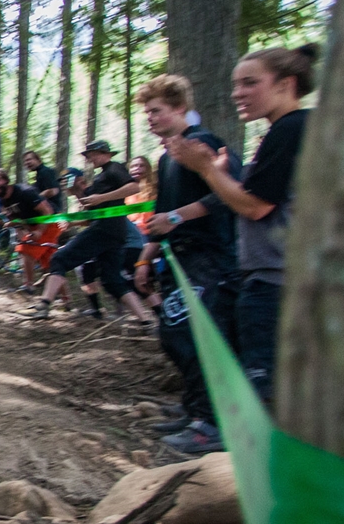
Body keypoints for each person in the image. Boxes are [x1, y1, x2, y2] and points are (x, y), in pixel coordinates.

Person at [168, 44, 316, 412]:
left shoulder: (291, 128)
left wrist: (205, 170)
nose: (238, 93)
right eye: (235, 85)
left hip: (276, 277)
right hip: (272, 273)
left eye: (250, 83)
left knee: (265, 388)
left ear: (286, 84)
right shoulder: (285, 130)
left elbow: (254, 207)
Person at [132, 75, 241, 454]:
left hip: (211, 257)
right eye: (146, 113)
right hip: (178, 259)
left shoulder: (205, 144)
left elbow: (227, 195)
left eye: (156, 111)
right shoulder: (166, 158)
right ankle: (194, 409)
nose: (150, 118)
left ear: (179, 108)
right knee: (174, 334)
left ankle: (211, 423)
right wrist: (145, 260)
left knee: (199, 338)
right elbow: (159, 214)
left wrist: (178, 218)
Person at [22, 141, 156, 328]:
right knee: (112, 280)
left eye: (92, 155)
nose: (90, 159)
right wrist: (75, 206)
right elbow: (92, 211)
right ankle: (146, 320)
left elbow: (134, 187)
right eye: (88, 156)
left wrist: (100, 197)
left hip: (106, 230)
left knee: (59, 258)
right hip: (114, 232)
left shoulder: (113, 168)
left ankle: (44, 304)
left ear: (105, 154)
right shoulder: (102, 177)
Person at [0, 167, 64, 295]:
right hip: (33, 225)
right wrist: (12, 224)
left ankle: (28, 286)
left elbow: (47, 211)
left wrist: (39, 232)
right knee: (51, 263)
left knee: (25, 250)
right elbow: (15, 219)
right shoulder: (1, 199)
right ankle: (65, 300)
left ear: (5, 180)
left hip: (51, 222)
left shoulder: (24, 192)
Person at [126, 155, 157, 236]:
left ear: (148, 168)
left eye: (141, 165)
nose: (137, 168)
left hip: (150, 232)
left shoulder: (155, 188)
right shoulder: (122, 191)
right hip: (130, 232)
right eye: (133, 166)